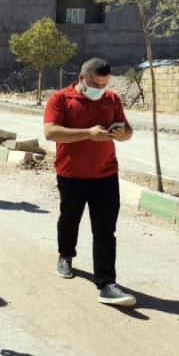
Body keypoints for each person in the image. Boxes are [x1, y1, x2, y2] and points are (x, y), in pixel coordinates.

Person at [44, 57, 136, 306]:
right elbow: (50, 132)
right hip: (71, 174)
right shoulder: (60, 98)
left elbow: (128, 131)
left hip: (106, 174)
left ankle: (107, 283)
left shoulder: (112, 99)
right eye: (95, 83)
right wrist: (88, 134)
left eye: (104, 84)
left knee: (106, 229)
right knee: (69, 219)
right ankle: (65, 255)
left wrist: (122, 133)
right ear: (82, 78)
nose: (100, 88)